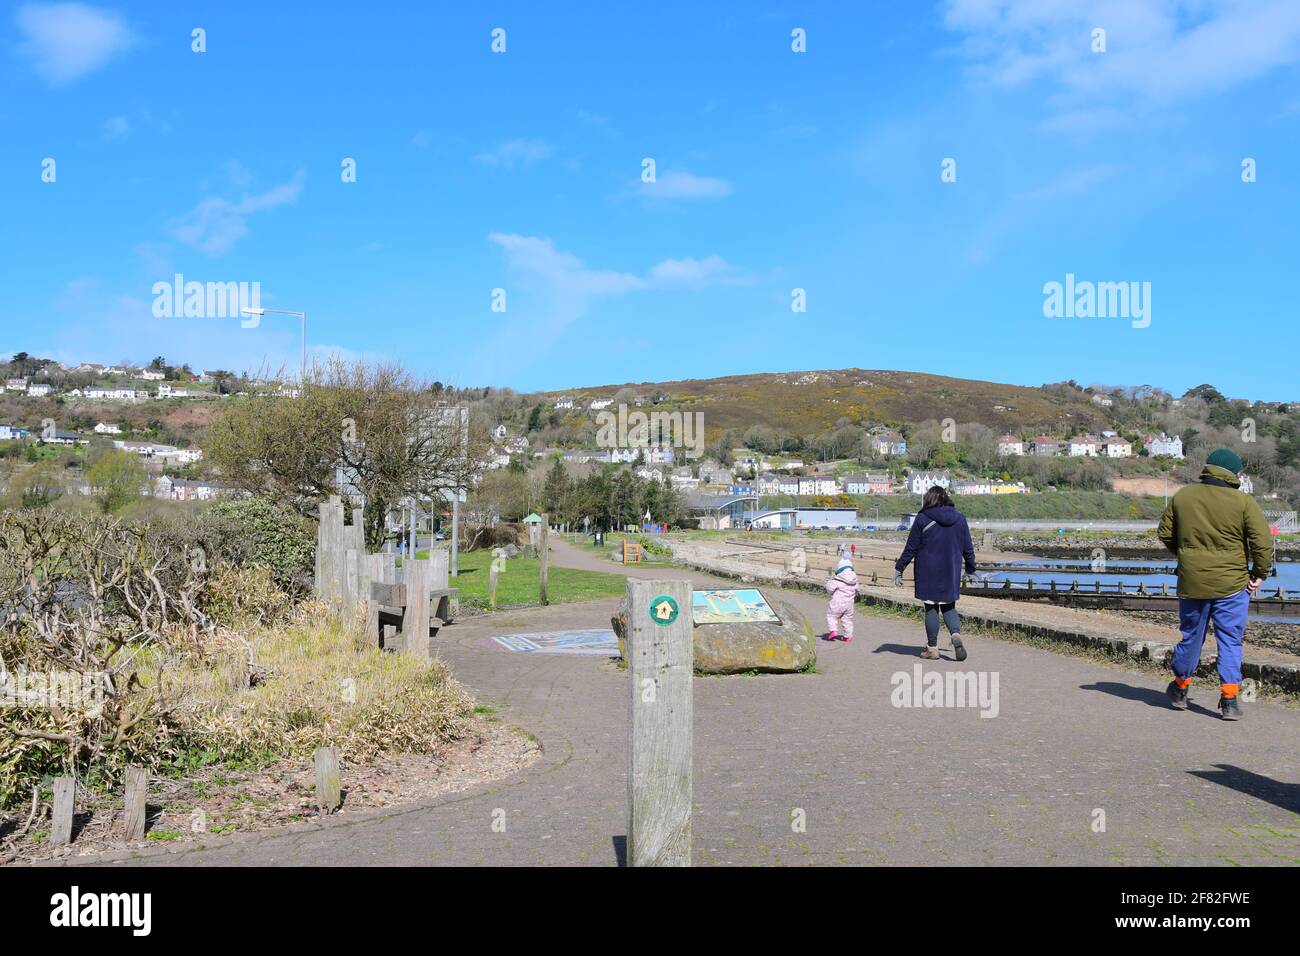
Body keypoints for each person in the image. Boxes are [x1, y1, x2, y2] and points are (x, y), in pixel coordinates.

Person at [1158, 448, 1272, 720]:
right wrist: (1259, 573)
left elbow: (1165, 532)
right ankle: (1230, 699)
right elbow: (1262, 542)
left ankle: (1181, 688)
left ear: (1208, 469)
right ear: (1234, 473)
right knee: (1230, 640)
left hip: (1192, 581)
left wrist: (1186, 555)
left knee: (1192, 637)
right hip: (1232, 585)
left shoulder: (1183, 496)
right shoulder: (1243, 502)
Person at [894, 486, 977, 661]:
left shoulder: (923, 518)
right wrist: (971, 570)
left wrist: (899, 568)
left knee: (931, 607)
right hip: (950, 570)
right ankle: (956, 634)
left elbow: (911, 547)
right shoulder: (960, 519)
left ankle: (932, 648)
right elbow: (967, 548)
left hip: (927, 571)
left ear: (928, 499)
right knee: (949, 606)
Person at [824, 546, 859, 642]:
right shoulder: (855, 581)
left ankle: (833, 631)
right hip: (849, 604)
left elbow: (829, 588)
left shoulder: (837, 580)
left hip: (837, 602)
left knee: (832, 616)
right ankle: (848, 636)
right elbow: (857, 590)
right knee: (847, 619)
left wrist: (830, 589)